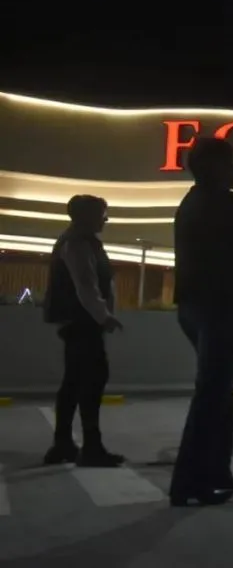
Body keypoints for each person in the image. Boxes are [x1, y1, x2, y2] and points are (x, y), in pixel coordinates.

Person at [170, 137, 233, 507]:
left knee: (220, 390)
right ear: (216, 166)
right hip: (215, 304)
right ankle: (189, 482)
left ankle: (215, 472)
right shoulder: (223, 202)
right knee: (212, 392)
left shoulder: (192, 202)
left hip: (195, 305)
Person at [42, 194, 125, 468]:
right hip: (83, 323)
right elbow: (85, 285)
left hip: (77, 322)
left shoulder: (76, 240)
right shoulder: (78, 244)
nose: (106, 218)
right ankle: (91, 447)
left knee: (74, 382)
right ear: (86, 216)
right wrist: (105, 317)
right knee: (92, 382)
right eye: (103, 213)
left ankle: (63, 443)